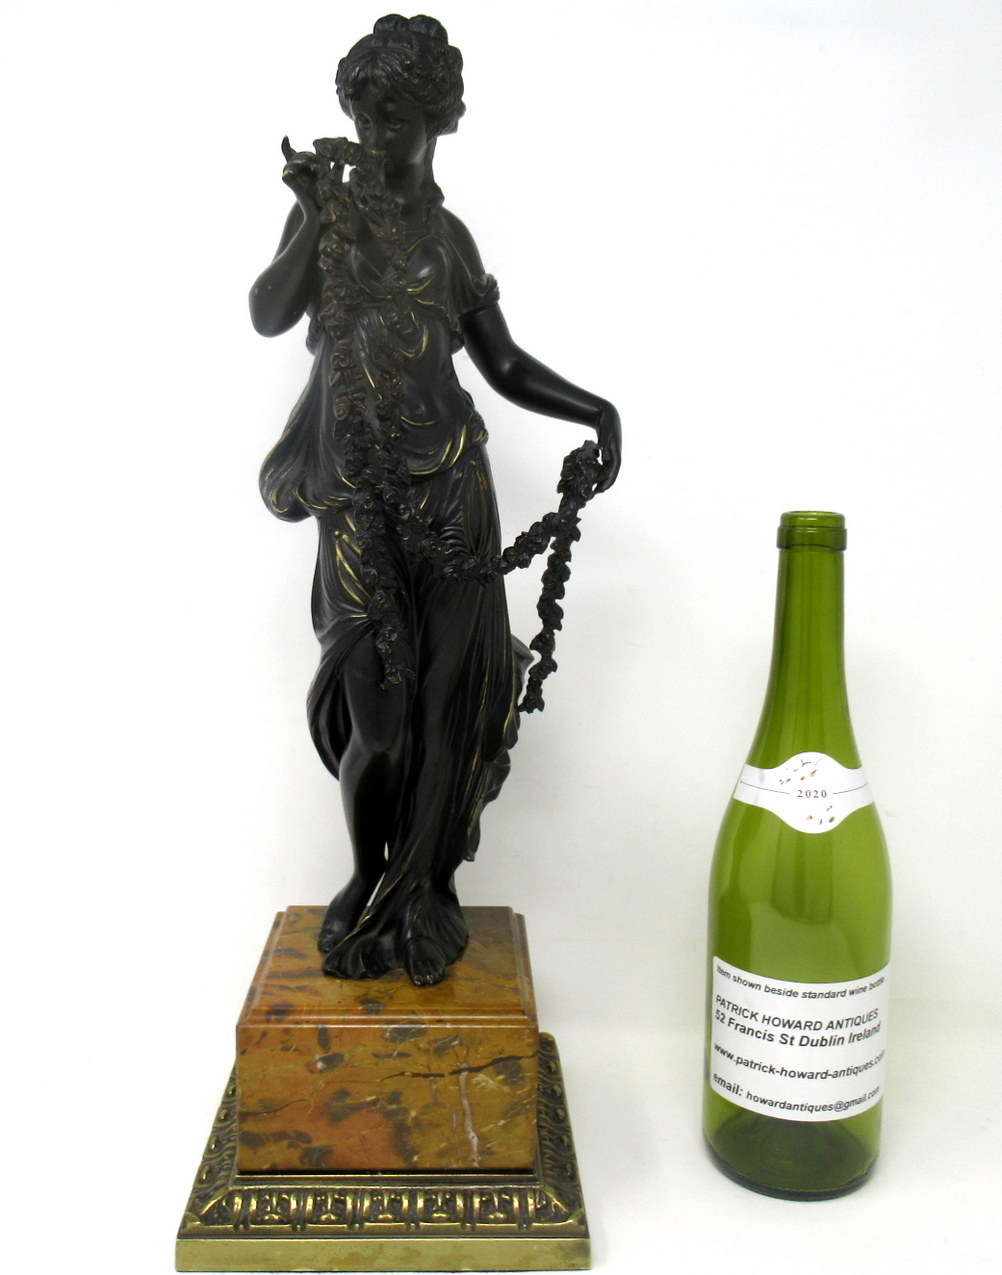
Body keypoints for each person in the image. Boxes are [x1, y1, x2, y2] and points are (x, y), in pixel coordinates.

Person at [250, 14, 621, 986]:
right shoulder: (329, 218)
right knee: (380, 720)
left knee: (449, 703)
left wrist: (595, 410)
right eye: (365, 114)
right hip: (357, 499)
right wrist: (310, 213)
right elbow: (268, 312)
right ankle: (368, 875)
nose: (376, 135)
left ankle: (422, 892)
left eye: (397, 117)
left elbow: (501, 363)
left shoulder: (448, 241)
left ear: (438, 121)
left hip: (452, 491)